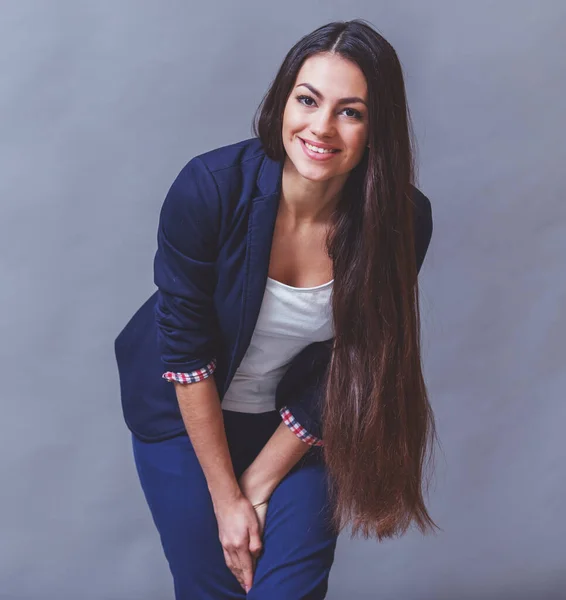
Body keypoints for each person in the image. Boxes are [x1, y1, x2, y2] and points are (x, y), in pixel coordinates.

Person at [114, 18, 439, 600]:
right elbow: (185, 353)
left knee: (289, 590)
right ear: (282, 100)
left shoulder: (400, 222)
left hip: (299, 422)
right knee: (210, 584)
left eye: (351, 111)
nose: (321, 127)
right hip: (183, 416)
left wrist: (260, 482)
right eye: (308, 100)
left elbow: (357, 360)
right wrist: (227, 497)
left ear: (376, 127)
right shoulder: (210, 188)